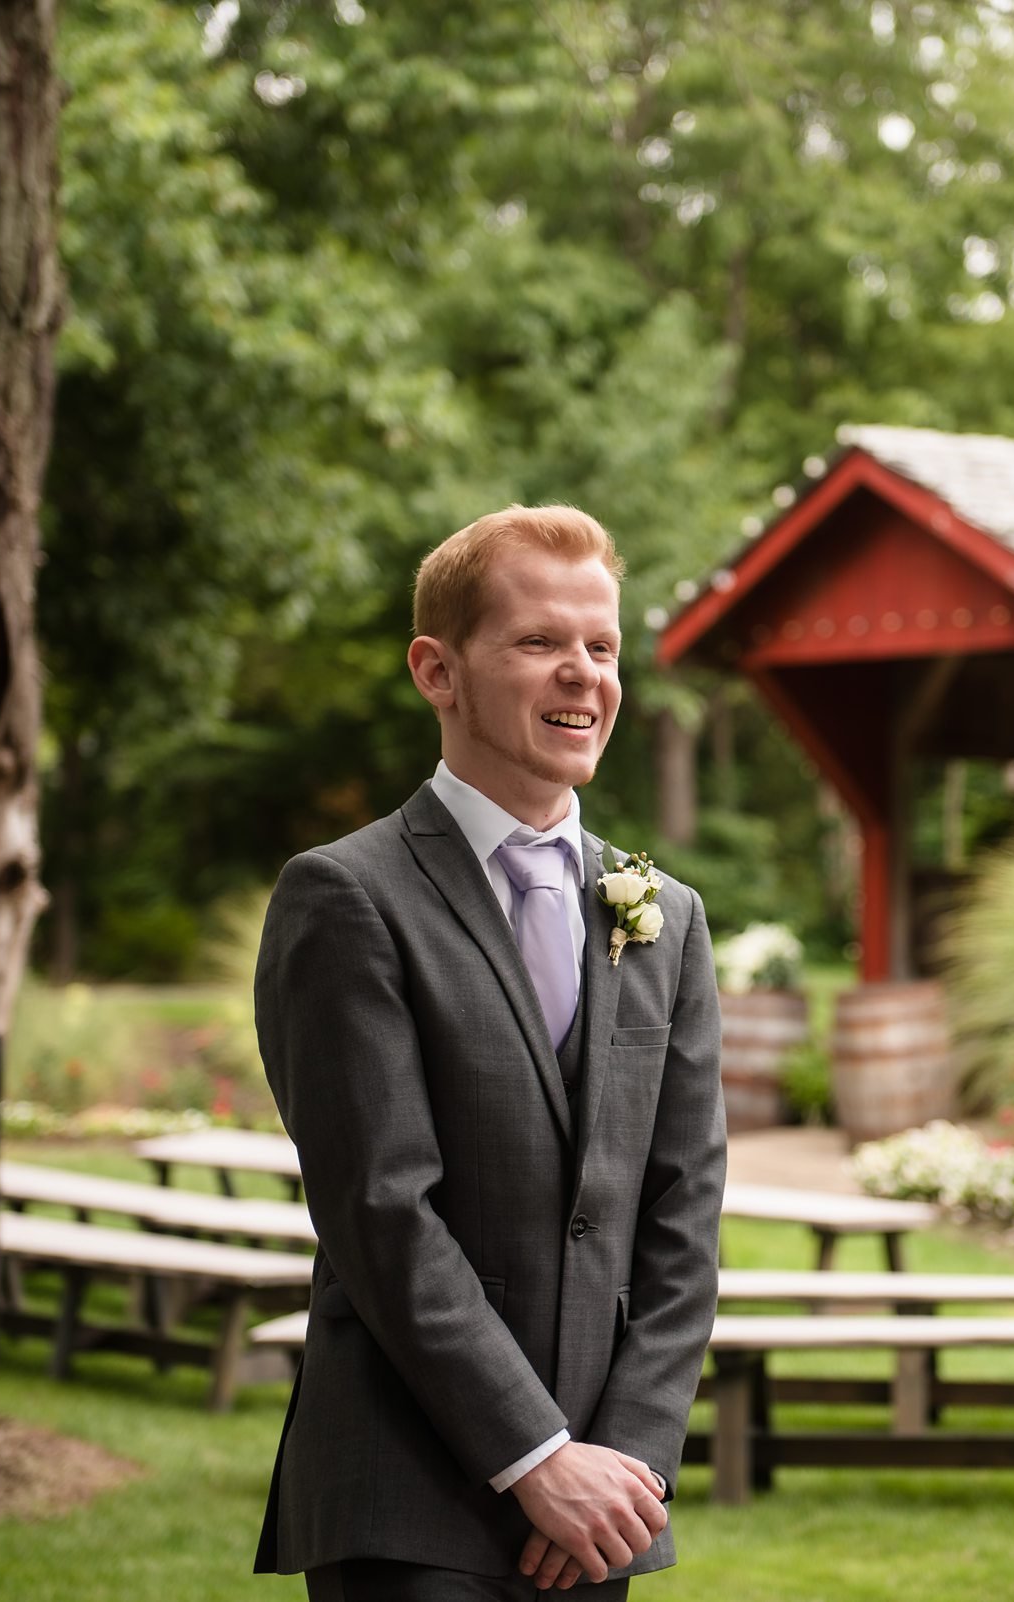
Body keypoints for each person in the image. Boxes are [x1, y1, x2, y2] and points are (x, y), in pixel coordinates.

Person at [252, 505, 726, 1600]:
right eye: (539, 643)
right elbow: (382, 1213)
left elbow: (683, 1218)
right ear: (437, 670)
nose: (583, 676)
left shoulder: (665, 915)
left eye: (601, 648)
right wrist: (534, 1456)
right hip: (408, 1497)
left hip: (601, 1511)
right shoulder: (347, 897)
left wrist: (627, 1465)